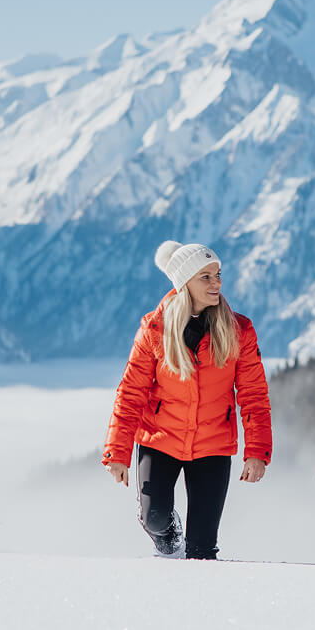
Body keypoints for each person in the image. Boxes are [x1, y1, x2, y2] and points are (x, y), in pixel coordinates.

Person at [104, 240, 273, 560]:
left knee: (202, 550)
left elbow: (253, 395)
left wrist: (257, 451)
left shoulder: (239, 330)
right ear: (185, 282)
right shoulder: (154, 329)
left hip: (213, 445)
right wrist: (118, 451)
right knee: (155, 520)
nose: (217, 283)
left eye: (218, 274)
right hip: (159, 439)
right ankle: (169, 547)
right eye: (206, 277)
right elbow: (130, 392)